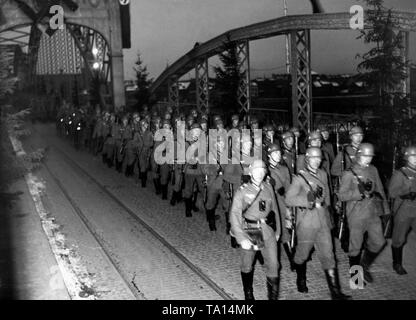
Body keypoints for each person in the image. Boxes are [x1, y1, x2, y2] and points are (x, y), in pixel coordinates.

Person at [285, 147, 350, 300]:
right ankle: (300, 278)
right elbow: (289, 199)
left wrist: (330, 215)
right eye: (313, 158)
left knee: (328, 254)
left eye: (319, 158)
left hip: (322, 220)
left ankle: (335, 292)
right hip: (307, 221)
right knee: (303, 254)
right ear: (307, 159)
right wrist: (307, 200)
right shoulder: (299, 178)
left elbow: (327, 195)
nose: (317, 160)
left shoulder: (322, 174)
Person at [338, 143, 390, 284]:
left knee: (379, 242)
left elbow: (380, 189)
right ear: (360, 155)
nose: (369, 159)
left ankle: (364, 265)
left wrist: (386, 210)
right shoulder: (349, 173)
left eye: (370, 156)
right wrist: (358, 193)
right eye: (366, 156)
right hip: (356, 214)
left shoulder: (373, 169)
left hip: (373, 212)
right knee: (356, 246)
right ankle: (356, 278)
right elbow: (341, 195)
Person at [230, 160, 281, 300]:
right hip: (251, 230)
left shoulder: (268, 188)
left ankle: (273, 297)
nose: (259, 173)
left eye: (262, 170)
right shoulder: (243, 191)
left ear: (265, 172)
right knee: (247, 264)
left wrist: (278, 231)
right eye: (256, 170)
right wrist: (241, 239)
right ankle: (248, 293)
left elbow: (275, 210)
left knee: (274, 264)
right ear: (251, 172)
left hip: (267, 230)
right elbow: (234, 215)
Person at [388, 146, 416, 275]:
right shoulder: (401, 173)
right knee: (399, 238)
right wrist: (406, 193)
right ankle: (397, 263)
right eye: (413, 156)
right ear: (407, 158)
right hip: (403, 211)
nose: (415, 159)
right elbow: (392, 193)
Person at [267, 143, 294, 271]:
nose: (278, 156)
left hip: (282, 202)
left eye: (279, 153)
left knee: (284, 229)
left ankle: (292, 259)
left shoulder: (284, 169)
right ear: (269, 155)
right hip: (270, 203)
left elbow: (289, 186)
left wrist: (290, 202)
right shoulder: (265, 169)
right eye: (275, 153)